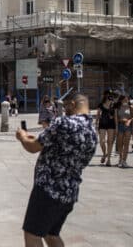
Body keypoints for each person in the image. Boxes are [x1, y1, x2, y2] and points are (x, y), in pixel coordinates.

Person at [15, 93, 97, 247]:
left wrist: (23, 137)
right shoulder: (92, 132)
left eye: (66, 106)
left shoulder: (64, 123)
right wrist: (38, 139)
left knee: (32, 234)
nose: (64, 110)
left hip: (48, 189)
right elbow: (63, 147)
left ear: (73, 104)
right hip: (69, 192)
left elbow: (32, 148)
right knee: (51, 234)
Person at [95, 91, 116, 167]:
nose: (109, 97)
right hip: (102, 124)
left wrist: (112, 117)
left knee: (110, 142)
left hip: (111, 124)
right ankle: (104, 154)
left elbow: (116, 115)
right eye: (108, 95)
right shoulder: (101, 105)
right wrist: (96, 124)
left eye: (110, 96)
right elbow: (98, 114)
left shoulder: (113, 105)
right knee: (102, 141)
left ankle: (109, 160)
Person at [114, 95, 133, 168]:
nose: (125, 101)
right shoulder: (117, 107)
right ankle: (120, 159)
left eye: (127, 99)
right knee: (120, 144)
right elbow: (116, 118)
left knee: (126, 144)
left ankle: (124, 161)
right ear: (121, 100)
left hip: (128, 126)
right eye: (124, 99)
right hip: (120, 126)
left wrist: (129, 121)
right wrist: (117, 126)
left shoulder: (130, 107)